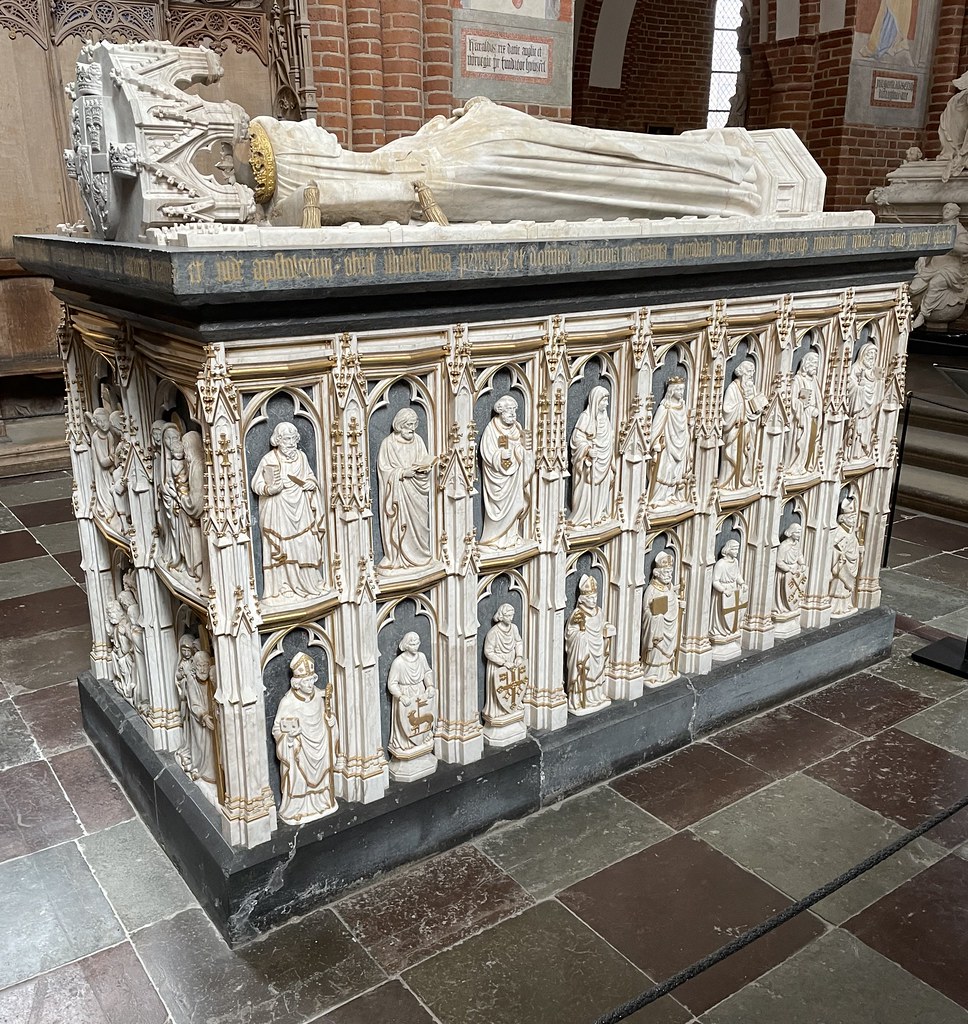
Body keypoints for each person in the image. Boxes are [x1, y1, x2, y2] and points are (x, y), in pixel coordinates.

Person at [249, 95, 767, 228]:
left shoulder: (375, 159)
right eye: (296, 130)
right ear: (302, 153)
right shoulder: (355, 180)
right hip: (480, 168)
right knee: (599, 170)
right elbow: (401, 198)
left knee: (594, 148)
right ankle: (718, 178)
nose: (308, 123)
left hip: (482, 145)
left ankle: (709, 164)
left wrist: (469, 117)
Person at [251, 421, 326, 601]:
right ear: (278, 440)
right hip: (278, 511)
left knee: (306, 543)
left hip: (301, 509)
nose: (291, 442)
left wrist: (311, 484)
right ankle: (284, 587)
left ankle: (309, 583)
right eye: (286, 439)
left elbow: (309, 476)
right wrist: (270, 489)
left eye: (293, 438)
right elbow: (256, 483)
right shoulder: (269, 459)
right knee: (283, 548)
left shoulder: (301, 457)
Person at [272, 651, 338, 824]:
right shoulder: (288, 703)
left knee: (322, 775)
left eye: (311, 680)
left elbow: (326, 715)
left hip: (319, 744)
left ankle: (322, 802)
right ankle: (298, 808)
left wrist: (331, 722)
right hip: (299, 749)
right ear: (297, 683)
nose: (310, 685)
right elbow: (277, 729)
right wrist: (290, 738)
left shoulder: (318, 695)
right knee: (297, 777)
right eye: (305, 681)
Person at [377, 408, 433, 570]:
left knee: (420, 524)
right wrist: (401, 473)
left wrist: (425, 468)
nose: (413, 428)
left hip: (417, 493)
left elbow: (424, 460)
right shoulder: (388, 444)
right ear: (400, 425)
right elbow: (384, 470)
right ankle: (395, 555)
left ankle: (420, 553)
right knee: (399, 523)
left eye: (415, 424)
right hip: (399, 493)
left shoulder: (418, 441)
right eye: (409, 424)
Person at [479, 396, 532, 550]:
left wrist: (521, 451)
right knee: (499, 510)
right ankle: (494, 540)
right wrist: (499, 456)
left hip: (515, 477)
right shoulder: (492, 429)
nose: (513, 413)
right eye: (509, 410)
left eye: (514, 410)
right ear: (500, 411)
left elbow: (522, 450)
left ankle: (512, 536)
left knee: (517, 506)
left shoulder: (517, 427)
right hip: (498, 479)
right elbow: (487, 453)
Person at [565, 575, 614, 714]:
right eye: (590, 598)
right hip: (584, 651)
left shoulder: (599, 611)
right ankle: (580, 700)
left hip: (598, 648)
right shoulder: (578, 614)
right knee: (584, 673)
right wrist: (580, 637)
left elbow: (601, 623)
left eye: (595, 597)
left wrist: (607, 627)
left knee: (598, 673)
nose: (593, 601)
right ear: (582, 599)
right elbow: (570, 633)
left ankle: (597, 696)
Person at [386, 632, 437, 759]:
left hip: (420, 691)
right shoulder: (398, 662)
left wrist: (430, 686)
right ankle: (406, 742)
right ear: (406, 645)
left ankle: (423, 737)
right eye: (412, 644)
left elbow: (427, 672)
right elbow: (392, 683)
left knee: (422, 715)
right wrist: (401, 696)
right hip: (405, 695)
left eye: (417, 643)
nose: (415, 646)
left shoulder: (422, 657)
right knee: (407, 721)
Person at [570, 386, 614, 527]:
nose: (606, 404)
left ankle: (598, 513)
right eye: (603, 401)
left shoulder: (605, 418)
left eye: (607, 400)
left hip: (604, 460)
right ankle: (585, 517)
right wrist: (587, 449)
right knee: (587, 489)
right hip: (590, 463)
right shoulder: (586, 417)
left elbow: (608, 437)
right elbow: (576, 439)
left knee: (603, 488)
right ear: (595, 401)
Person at [719, 360, 766, 489]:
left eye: (753, 372)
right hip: (736, 429)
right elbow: (727, 410)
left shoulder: (750, 387)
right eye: (749, 372)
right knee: (733, 455)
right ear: (742, 372)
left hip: (748, 429)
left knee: (748, 454)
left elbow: (754, 407)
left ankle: (743, 480)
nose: (751, 375)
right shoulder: (733, 388)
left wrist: (759, 406)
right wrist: (741, 407)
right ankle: (729, 483)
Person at [483, 603, 528, 726]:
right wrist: (503, 662)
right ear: (501, 616)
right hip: (498, 664)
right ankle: (498, 710)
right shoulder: (494, 632)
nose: (511, 618)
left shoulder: (513, 628)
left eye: (512, 615)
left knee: (514, 685)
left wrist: (519, 656)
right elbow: (488, 651)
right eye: (508, 615)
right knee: (501, 687)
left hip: (512, 660)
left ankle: (514, 705)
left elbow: (519, 642)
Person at [641, 552, 681, 686]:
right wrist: (656, 617)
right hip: (657, 629)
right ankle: (651, 673)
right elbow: (645, 611)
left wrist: (679, 604)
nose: (669, 575)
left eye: (671, 572)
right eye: (667, 572)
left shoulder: (669, 587)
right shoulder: (651, 589)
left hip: (670, 626)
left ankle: (665, 670)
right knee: (656, 650)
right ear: (657, 573)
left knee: (667, 650)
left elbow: (673, 601)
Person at [649, 376, 689, 506]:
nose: (681, 393)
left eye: (682, 389)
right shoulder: (665, 408)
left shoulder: (683, 406)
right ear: (671, 391)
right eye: (678, 390)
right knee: (666, 470)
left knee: (676, 471)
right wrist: (655, 443)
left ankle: (671, 495)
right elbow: (655, 428)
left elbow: (684, 426)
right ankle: (658, 498)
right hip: (667, 445)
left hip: (681, 444)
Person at [788, 352, 822, 474]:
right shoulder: (797, 380)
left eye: (817, 364)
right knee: (801, 443)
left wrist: (816, 410)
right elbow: (793, 400)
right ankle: (795, 466)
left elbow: (818, 399)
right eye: (813, 363)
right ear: (806, 364)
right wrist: (804, 406)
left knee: (809, 443)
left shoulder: (814, 380)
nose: (815, 366)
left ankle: (804, 465)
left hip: (812, 418)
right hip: (801, 420)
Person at [710, 539, 749, 644]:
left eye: (737, 549)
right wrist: (723, 590)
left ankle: (732, 630)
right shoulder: (721, 564)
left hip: (734, 590)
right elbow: (715, 581)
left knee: (733, 612)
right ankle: (720, 631)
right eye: (734, 549)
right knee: (723, 613)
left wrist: (742, 583)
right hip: (723, 592)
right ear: (728, 549)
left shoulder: (735, 562)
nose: (737, 551)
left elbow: (737, 575)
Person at [845, 342, 879, 461]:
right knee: (856, 431)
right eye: (869, 354)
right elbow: (850, 385)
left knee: (866, 430)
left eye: (874, 355)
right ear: (863, 355)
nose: (871, 357)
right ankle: (852, 454)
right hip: (859, 407)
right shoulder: (856, 369)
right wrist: (860, 388)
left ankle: (861, 453)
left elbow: (878, 389)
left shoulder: (873, 372)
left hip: (869, 410)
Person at [829, 500, 861, 617]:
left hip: (851, 562)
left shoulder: (851, 531)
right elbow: (833, 547)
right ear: (842, 518)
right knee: (839, 584)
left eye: (854, 518)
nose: (853, 521)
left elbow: (854, 545)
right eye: (851, 518)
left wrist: (859, 549)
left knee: (846, 587)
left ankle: (846, 605)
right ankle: (836, 607)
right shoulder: (839, 532)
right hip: (841, 564)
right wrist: (840, 556)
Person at [775, 523, 807, 618]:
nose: (799, 535)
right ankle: (783, 607)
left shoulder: (797, 544)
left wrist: (802, 564)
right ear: (791, 532)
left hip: (795, 572)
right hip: (785, 573)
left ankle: (792, 607)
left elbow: (799, 555)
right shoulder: (784, 546)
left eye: (800, 533)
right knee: (784, 592)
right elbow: (779, 561)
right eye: (797, 533)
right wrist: (789, 569)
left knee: (794, 592)